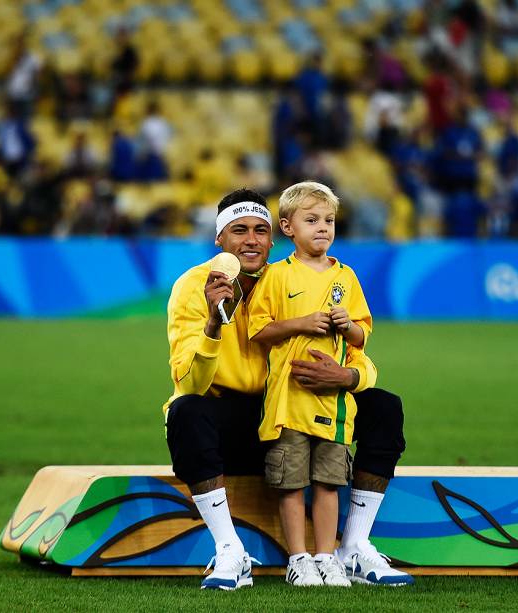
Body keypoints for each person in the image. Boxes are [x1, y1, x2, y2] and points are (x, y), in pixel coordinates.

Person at [163, 188, 411, 590]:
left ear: (274, 237)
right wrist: (212, 324)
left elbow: (354, 351)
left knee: (383, 406)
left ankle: (353, 546)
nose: (251, 240)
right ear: (219, 239)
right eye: (239, 230)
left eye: (260, 230)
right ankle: (230, 549)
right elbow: (189, 384)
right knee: (186, 412)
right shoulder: (193, 287)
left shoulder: (289, 278)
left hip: (289, 410)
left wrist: (347, 377)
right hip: (232, 425)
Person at [247, 182, 369, 587]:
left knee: (330, 482)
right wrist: (300, 323)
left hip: (333, 405)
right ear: (288, 227)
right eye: (311, 220)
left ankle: (326, 555)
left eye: (329, 221)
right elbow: (258, 330)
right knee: (292, 483)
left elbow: (362, 336)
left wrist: (347, 325)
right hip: (288, 402)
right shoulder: (277, 276)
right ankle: (298, 559)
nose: (323, 228)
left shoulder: (346, 277)